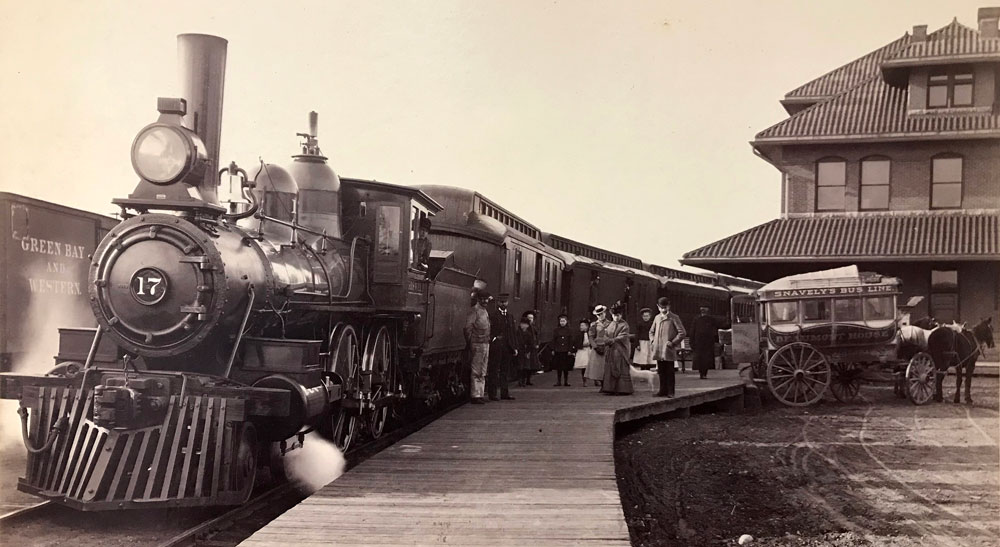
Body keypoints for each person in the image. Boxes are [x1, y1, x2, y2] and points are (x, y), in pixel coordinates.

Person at [649, 297, 686, 397]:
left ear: (669, 306)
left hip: (668, 349)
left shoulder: (674, 317)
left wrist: (673, 342)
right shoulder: (657, 318)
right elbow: (651, 332)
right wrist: (653, 341)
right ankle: (662, 390)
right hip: (658, 349)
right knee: (661, 371)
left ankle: (671, 392)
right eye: (661, 308)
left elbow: (682, 332)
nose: (664, 310)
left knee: (669, 371)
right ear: (658, 307)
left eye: (665, 307)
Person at [599, 303, 634, 395]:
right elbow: (605, 334)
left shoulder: (624, 325)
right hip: (611, 350)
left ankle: (622, 389)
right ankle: (610, 388)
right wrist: (606, 340)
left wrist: (613, 340)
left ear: (621, 315)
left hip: (620, 350)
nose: (616, 317)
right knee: (610, 367)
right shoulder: (610, 324)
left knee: (620, 367)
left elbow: (623, 336)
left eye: (618, 315)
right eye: (614, 316)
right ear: (612, 315)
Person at [487, 293, 516, 400]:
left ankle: (505, 393)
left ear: (507, 303)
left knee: (505, 371)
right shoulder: (493, 316)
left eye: (505, 302)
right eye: (501, 302)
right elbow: (489, 330)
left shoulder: (510, 316)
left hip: (507, 347)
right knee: (494, 370)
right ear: (498, 302)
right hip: (496, 346)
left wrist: (514, 347)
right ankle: (492, 394)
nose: (503, 304)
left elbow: (512, 332)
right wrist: (493, 339)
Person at [464, 289, 491, 404]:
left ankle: (480, 393)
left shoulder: (484, 311)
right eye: (483, 299)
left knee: (483, 370)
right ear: (479, 299)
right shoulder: (475, 311)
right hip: (478, 343)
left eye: (486, 299)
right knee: (477, 370)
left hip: (485, 343)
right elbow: (468, 328)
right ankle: (475, 395)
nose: (485, 301)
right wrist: (471, 342)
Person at [689, 305, 718, 379]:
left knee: (704, 359)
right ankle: (702, 373)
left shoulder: (710, 319)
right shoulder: (698, 319)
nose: (703, 309)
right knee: (702, 359)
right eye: (702, 308)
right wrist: (691, 341)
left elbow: (715, 330)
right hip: (700, 342)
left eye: (704, 308)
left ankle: (703, 373)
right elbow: (692, 331)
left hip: (705, 343)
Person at [585, 305, 609, 388]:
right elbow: (591, 337)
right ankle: (600, 384)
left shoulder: (610, 324)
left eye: (602, 314)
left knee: (606, 367)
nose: (600, 316)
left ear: (605, 313)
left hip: (607, 347)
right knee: (598, 368)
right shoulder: (594, 325)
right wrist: (595, 347)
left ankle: (606, 385)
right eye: (598, 314)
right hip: (597, 347)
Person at [551, 314, 575, 386]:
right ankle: (558, 381)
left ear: (566, 322)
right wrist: (553, 349)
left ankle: (566, 381)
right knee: (559, 367)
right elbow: (554, 340)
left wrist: (570, 350)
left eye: (563, 321)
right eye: (561, 321)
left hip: (566, 350)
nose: (562, 322)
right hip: (558, 350)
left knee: (566, 367)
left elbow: (571, 341)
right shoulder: (556, 330)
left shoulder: (569, 330)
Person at [514, 315, 538, 386]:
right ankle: (520, 381)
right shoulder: (518, 332)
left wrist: (528, 351)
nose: (523, 326)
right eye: (522, 324)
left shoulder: (528, 334)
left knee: (525, 367)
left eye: (525, 324)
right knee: (520, 367)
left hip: (526, 351)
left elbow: (531, 343)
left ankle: (524, 381)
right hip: (520, 351)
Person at [573, 318, 592, 386]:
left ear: (587, 326)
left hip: (590, 350)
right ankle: (584, 380)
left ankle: (596, 380)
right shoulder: (578, 335)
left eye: (583, 325)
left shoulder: (591, 333)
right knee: (584, 366)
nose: (581, 327)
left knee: (592, 365)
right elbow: (576, 343)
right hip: (582, 351)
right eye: (580, 326)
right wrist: (582, 345)